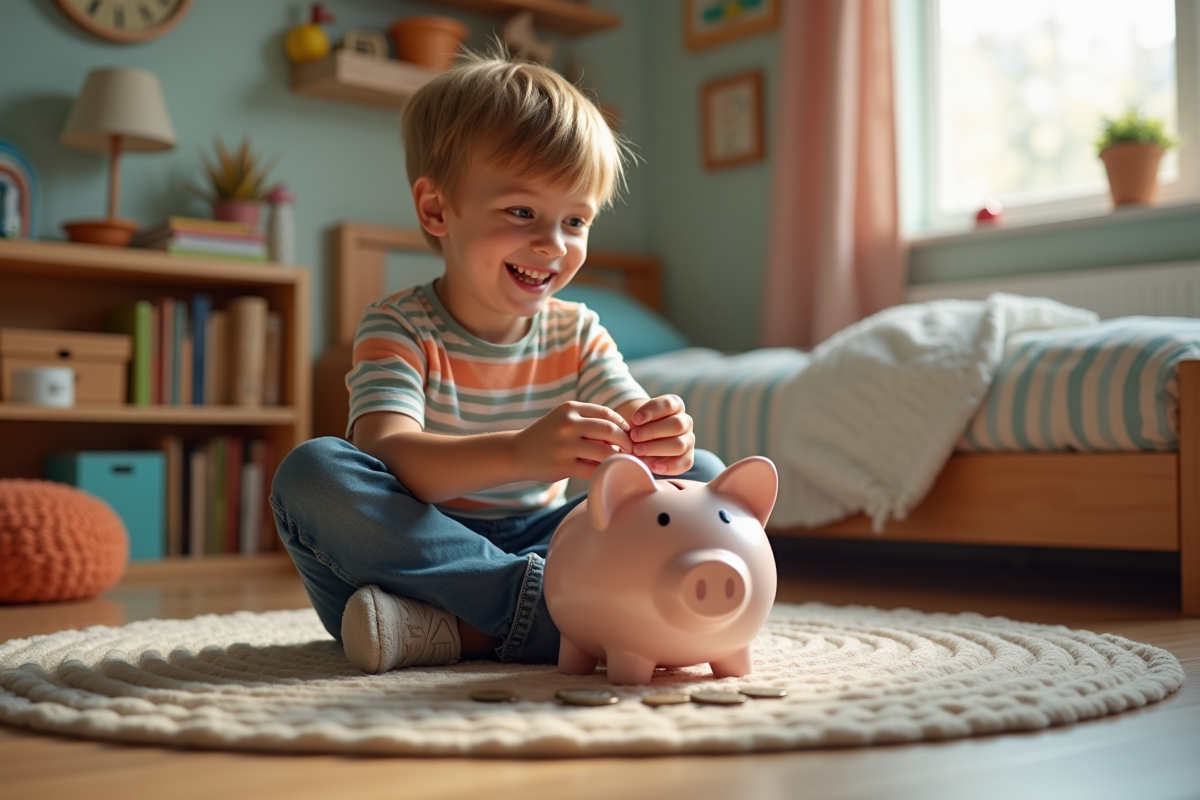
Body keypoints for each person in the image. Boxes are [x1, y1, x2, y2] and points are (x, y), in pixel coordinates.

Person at [270, 48, 724, 674]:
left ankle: (460, 632)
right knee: (311, 473)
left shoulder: (580, 330)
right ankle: (556, 616)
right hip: (416, 550)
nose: (552, 244)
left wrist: (659, 437)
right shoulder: (398, 326)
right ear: (436, 210)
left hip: (551, 543)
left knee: (702, 473)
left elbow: (637, 443)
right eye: (521, 212)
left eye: (575, 219)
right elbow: (389, 455)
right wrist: (519, 455)